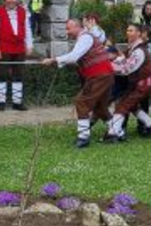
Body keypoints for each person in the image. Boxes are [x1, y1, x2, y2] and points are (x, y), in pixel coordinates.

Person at [43, 18, 115, 148]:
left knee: (81, 102)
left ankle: (83, 138)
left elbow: (73, 56)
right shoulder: (85, 38)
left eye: (68, 28)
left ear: (77, 27)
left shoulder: (85, 38)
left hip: (99, 75)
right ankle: (115, 132)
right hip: (104, 74)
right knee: (100, 107)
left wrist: (53, 60)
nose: (67, 32)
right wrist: (58, 62)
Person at [104, 23, 151, 142]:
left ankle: (113, 133)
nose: (128, 32)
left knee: (123, 105)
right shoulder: (133, 48)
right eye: (127, 30)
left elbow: (127, 69)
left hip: (143, 83)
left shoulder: (139, 51)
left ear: (138, 33)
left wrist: (109, 66)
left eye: (131, 30)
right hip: (138, 83)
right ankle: (150, 124)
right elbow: (124, 62)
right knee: (131, 105)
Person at [0, 0, 33, 111]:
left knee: (18, 74)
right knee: (2, 74)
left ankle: (17, 101)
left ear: (17, 0)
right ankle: (1, 101)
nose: (11, 1)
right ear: (5, 0)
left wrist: (29, 45)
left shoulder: (23, 12)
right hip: (4, 46)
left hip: (19, 47)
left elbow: (28, 29)